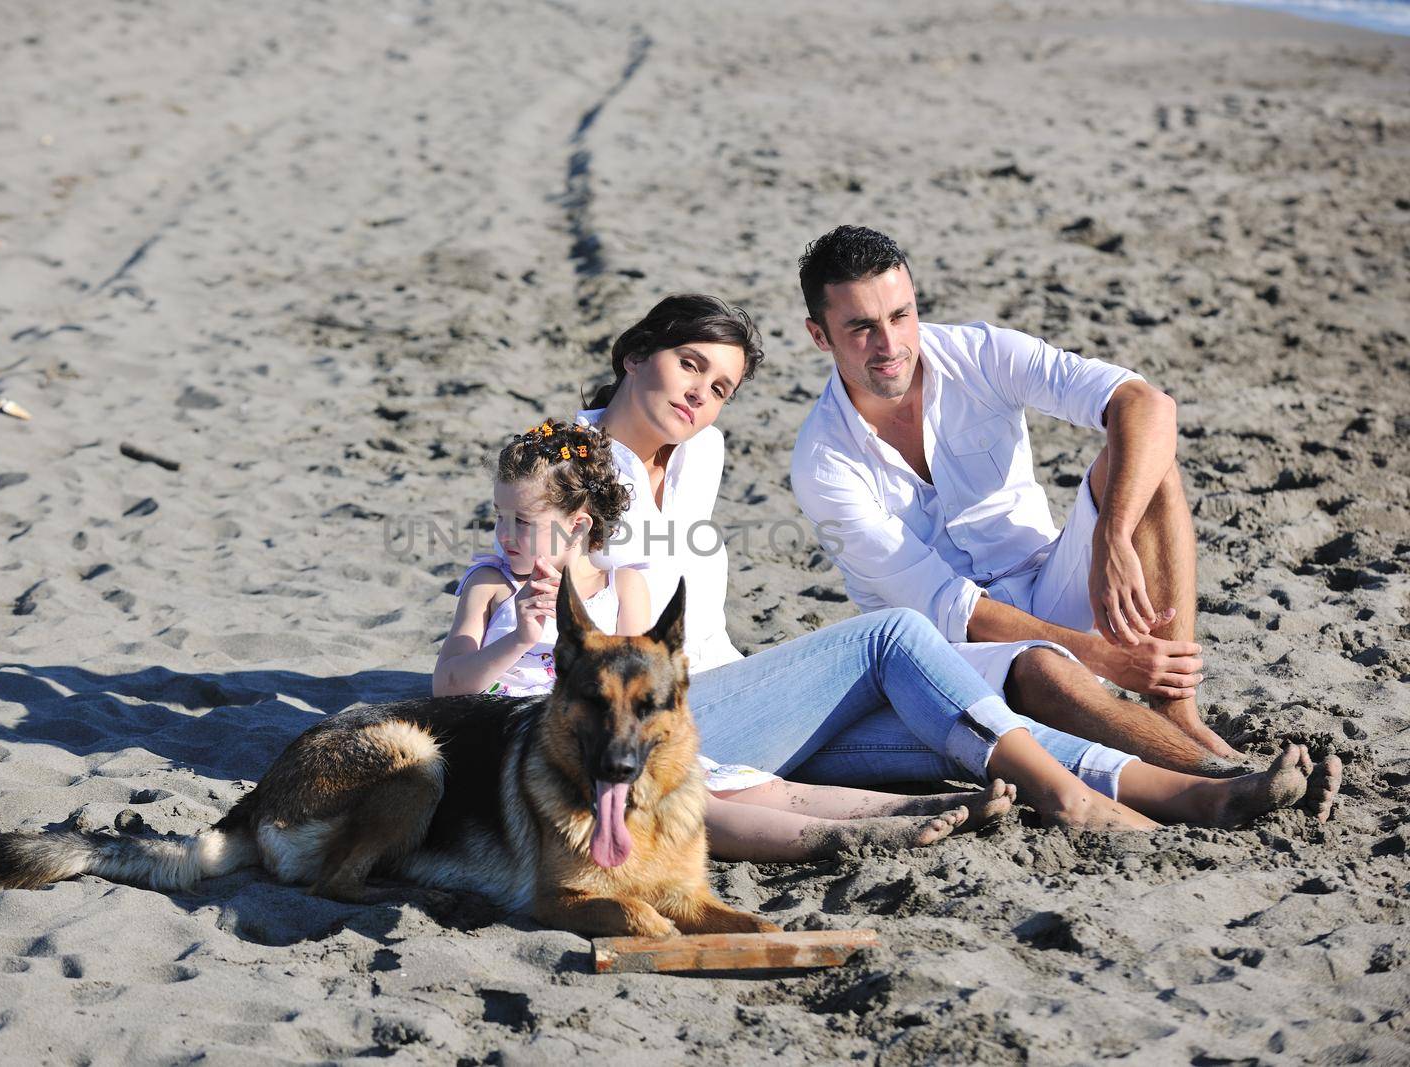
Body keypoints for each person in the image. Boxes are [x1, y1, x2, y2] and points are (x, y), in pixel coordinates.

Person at [580, 294, 1342, 837]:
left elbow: (1146, 405)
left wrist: (1110, 536)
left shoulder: (697, 452)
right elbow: (525, 604)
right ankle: (1078, 803)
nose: (700, 396)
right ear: (633, 354)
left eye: (720, 387)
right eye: (688, 366)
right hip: (655, 722)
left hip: (747, 713)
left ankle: (1209, 792)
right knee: (892, 637)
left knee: (974, 733)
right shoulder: (569, 468)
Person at [789, 226, 1301, 780]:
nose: (890, 346)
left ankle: (1178, 714)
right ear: (820, 336)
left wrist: (1112, 537)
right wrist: (1107, 660)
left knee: (1145, 469)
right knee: (1041, 667)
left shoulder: (980, 353)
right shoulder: (823, 462)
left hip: (1050, 581)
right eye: (862, 328)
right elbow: (953, 611)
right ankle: (1218, 774)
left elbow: (1144, 403)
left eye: (900, 315)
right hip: (952, 651)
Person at [434, 418, 1000, 859]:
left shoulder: (621, 585)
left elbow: (636, 684)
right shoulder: (491, 586)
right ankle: (847, 840)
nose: (505, 535)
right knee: (691, 805)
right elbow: (448, 686)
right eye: (500, 517)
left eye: (523, 522)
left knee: (749, 785)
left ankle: (922, 804)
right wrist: (518, 640)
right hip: (530, 741)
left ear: (579, 525)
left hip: (614, 735)